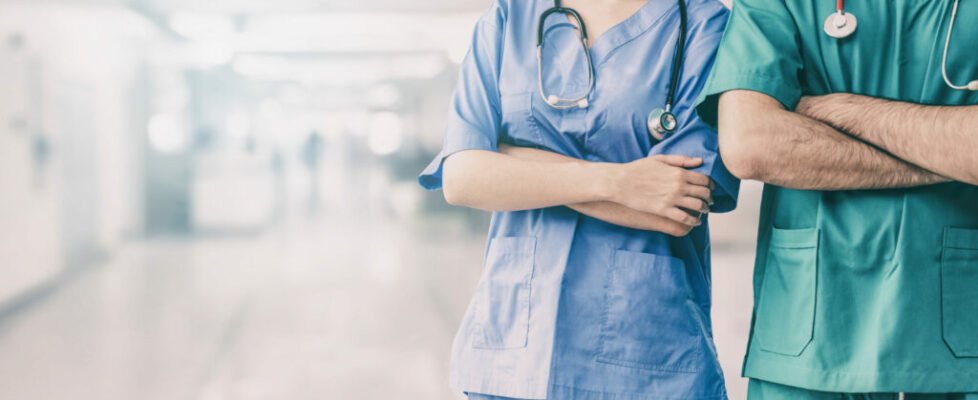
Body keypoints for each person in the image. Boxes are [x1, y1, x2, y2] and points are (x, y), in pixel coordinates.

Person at [419, 0, 739, 399]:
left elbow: (680, 202)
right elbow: (463, 177)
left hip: (647, 354)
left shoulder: (703, 25)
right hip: (514, 356)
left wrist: (510, 161)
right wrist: (619, 181)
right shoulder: (509, 18)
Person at [695, 0, 978, 398]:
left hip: (958, 336)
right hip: (811, 332)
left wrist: (851, 112)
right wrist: (950, 154)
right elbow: (751, 143)